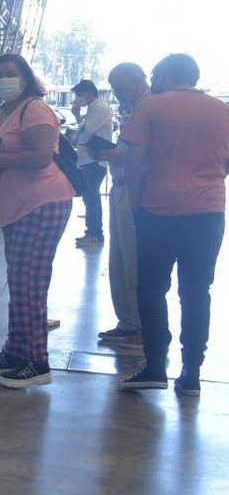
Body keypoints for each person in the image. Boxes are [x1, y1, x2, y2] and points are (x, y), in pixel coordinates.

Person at [0, 54, 76, 389]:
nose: (4, 80)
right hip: (15, 206)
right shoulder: (1, 113)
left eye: (12, 74)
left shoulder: (35, 110)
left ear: (26, 78)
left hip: (40, 203)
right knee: (19, 281)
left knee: (30, 284)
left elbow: (40, 158)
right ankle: (14, 351)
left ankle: (37, 361)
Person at [116, 54, 229, 396]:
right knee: (196, 291)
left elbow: (134, 163)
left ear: (163, 75)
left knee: (151, 289)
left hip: (159, 210)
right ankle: (191, 372)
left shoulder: (151, 107)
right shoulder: (221, 109)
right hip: (208, 214)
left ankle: (154, 366)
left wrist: (135, 204)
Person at [92, 63, 150, 350]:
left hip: (136, 190)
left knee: (134, 260)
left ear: (138, 78)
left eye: (119, 85)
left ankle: (140, 326)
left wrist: (111, 152)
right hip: (121, 186)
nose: (116, 92)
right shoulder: (131, 108)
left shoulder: (149, 108)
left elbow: (140, 153)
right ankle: (128, 321)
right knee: (120, 259)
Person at [70, 79, 114, 248]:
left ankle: (94, 233)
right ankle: (92, 232)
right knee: (90, 197)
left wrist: (77, 117)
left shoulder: (100, 108)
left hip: (94, 160)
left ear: (89, 92)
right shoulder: (93, 109)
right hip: (88, 159)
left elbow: (87, 131)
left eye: (80, 95)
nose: (78, 98)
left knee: (92, 197)